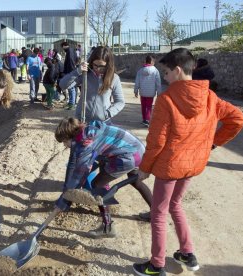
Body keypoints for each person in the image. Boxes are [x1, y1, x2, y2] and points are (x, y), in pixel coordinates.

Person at [132, 48, 243, 276]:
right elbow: (237, 118)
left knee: (159, 213)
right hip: (193, 165)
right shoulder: (210, 97)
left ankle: (156, 265)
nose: (163, 77)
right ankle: (187, 252)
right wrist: (212, 143)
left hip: (170, 167)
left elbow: (156, 141)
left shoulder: (166, 99)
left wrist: (144, 169)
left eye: (165, 72)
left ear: (176, 70)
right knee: (175, 205)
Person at [60, 46, 153, 224]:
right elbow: (63, 85)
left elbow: (120, 102)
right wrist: (78, 71)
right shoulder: (84, 75)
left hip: (103, 129)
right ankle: (67, 198)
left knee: (111, 173)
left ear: (108, 65)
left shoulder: (114, 78)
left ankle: (148, 211)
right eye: (95, 65)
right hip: (83, 126)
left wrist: (107, 114)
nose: (98, 69)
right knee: (75, 164)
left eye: (102, 66)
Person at [54, 118, 148, 238]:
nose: (64, 145)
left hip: (128, 156)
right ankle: (156, 213)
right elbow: (87, 164)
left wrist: (65, 199)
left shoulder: (85, 142)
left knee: (97, 185)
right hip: (136, 149)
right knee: (135, 181)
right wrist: (66, 194)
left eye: (64, 141)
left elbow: (80, 173)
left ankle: (107, 227)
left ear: (70, 137)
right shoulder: (89, 130)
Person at [134, 55, 162, 127]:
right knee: (149, 106)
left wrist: (136, 90)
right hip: (151, 93)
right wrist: (159, 93)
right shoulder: (155, 71)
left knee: (143, 106)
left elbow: (137, 81)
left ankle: (144, 119)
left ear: (146, 61)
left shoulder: (140, 71)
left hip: (143, 92)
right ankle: (147, 120)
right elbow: (158, 83)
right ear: (152, 62)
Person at [61, 41, 79, 110]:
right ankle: (72, 103)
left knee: (71, 88)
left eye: (62, 47)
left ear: (64, 46)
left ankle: (72, 104)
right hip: (72, 71)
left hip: (70, 72)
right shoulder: (72, 50)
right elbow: (77, 60)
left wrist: (71, 73)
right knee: (73, 87)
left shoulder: (69, 51)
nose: (63, 49)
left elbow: (71, 61)